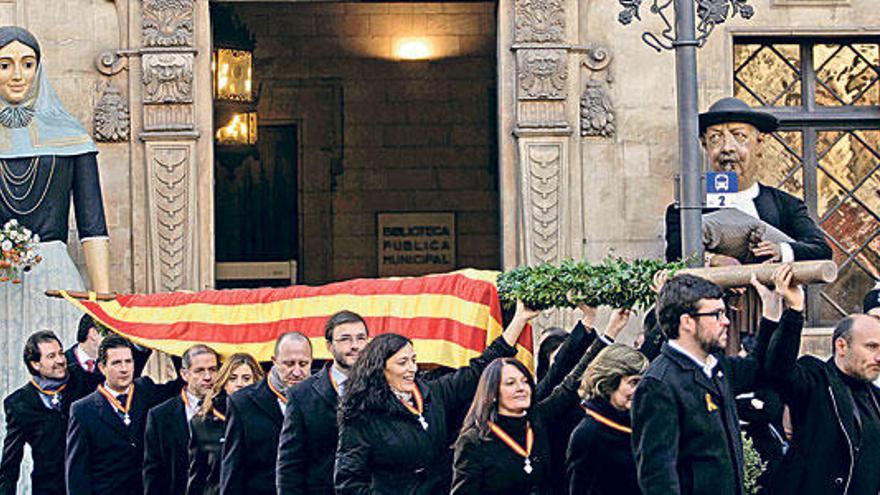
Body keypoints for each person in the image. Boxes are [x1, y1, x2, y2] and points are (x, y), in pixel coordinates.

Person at [333, 302, 530, 495]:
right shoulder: (361, 415)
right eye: (402, 363)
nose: (412, 369)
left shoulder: (433, 392)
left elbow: (478, 370)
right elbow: (348, 483)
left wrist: (519, 320)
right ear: (380, 369)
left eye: (413, 360)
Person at [630, 269, 789, 495]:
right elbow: (658, 477)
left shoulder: (715, 367)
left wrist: (773, 314)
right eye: (716, 314)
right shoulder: (659, 385)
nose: (726, 322)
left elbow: (760, 371)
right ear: (687, 322)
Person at [449, 316, 619, 495]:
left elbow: (571, 384)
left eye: (524, 381)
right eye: (510, 383)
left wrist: (610, 333)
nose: (521, 388)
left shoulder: (537, 419)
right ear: (491, 394)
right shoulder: (473, 441)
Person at [665, 97, 831, 264]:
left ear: (759, 143)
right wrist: (712, 259)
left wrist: (781, 250)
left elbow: (820, 250)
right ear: (705, 145)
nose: (727, 147)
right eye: (716, 138)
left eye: (739, 136)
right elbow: (675, 253)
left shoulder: (786, 205)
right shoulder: (685, 210)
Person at [764, 293, 880, 493]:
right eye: (871, 347)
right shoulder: (816, 380)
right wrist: (794, 311)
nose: (878, 357)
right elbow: (779, 370)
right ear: (841, 346)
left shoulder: (875, 398)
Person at [64, 335, 181, 494]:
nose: (124, 369)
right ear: (102, 367)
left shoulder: (147, 391)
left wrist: (175, 343)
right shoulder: (83, 410)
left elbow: (180, 387)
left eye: (128, 361)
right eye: (116, 363)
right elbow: (77, 475)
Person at [277, 311, 369, 495]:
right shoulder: (302, 394)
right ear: (329, 346)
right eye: (345, 339)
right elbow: (290, 466)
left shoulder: (382, 388)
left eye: (361, 338)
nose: (355, 346)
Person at [0, 331, 98, 494]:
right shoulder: (19, 404)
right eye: (51, 356)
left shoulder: (83, 380)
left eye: (60, 353)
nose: (60, 360)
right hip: (49, 489)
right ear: (35, 364)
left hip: (89, 485)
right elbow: (10, 465)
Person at [221, 332, 313, 495]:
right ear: (274, 361)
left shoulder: (324, 397)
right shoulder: (242, 403)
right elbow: (233, 470)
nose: (297, 372)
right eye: (289, 364)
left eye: (303, 364)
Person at [566, 344, 649, 495]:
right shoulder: (588, 433)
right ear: (610, 381)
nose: (640, 390)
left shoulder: (643, 424)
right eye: (633, 382)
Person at [143, 344, 219, 495]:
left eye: (212, 369)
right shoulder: (160, 416)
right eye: (199, 370)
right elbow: (153, 472)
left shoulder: (229, 409)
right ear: (184, 374)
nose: (208, 377)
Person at [187, 353, 262, 495]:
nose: (240, 384)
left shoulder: (268, 419)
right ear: (224, 383)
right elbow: (198, 478)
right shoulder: (202, 423)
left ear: (256, 382)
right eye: (232, 378)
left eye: (246, 378)